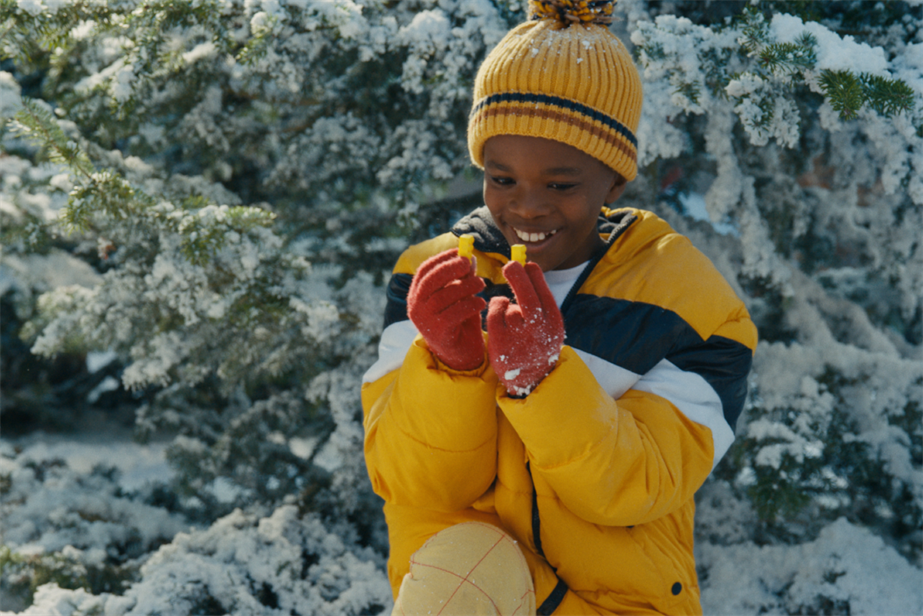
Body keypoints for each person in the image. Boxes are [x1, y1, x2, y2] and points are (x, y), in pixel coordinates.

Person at [361, 0, 757, 613]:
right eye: (502, 178)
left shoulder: (689, 306)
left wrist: (544, 381)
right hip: (468, 591)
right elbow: (411, 482)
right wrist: (452, 367)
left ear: (614, 182)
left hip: (615, 603)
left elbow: (638, 486)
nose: (527, 207)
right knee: (461, 560)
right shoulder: (434, 277)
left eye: (561, 184)